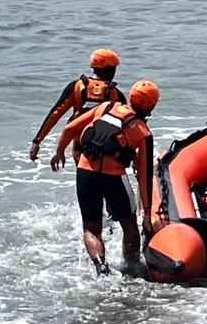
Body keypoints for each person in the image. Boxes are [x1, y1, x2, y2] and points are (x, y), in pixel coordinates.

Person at [50, 80, 158, 276]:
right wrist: (147, 214)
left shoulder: (106, 107)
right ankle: (132, 268)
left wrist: (59, 152)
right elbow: (144, 176)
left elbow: (70, 129)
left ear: (131, 97)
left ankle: (101, 266)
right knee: (130, 226)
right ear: (152, 106)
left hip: (85, 172)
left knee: (91, 229)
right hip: (114, 177)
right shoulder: (143, 133)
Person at [29, 48, 127, 162]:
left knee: (82, 170)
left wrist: (37, 141)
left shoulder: (76, 86)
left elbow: (55, 114)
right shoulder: (115, 93)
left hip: (79, 142)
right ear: (111, 70)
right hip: (104, 146)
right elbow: (128, 123)